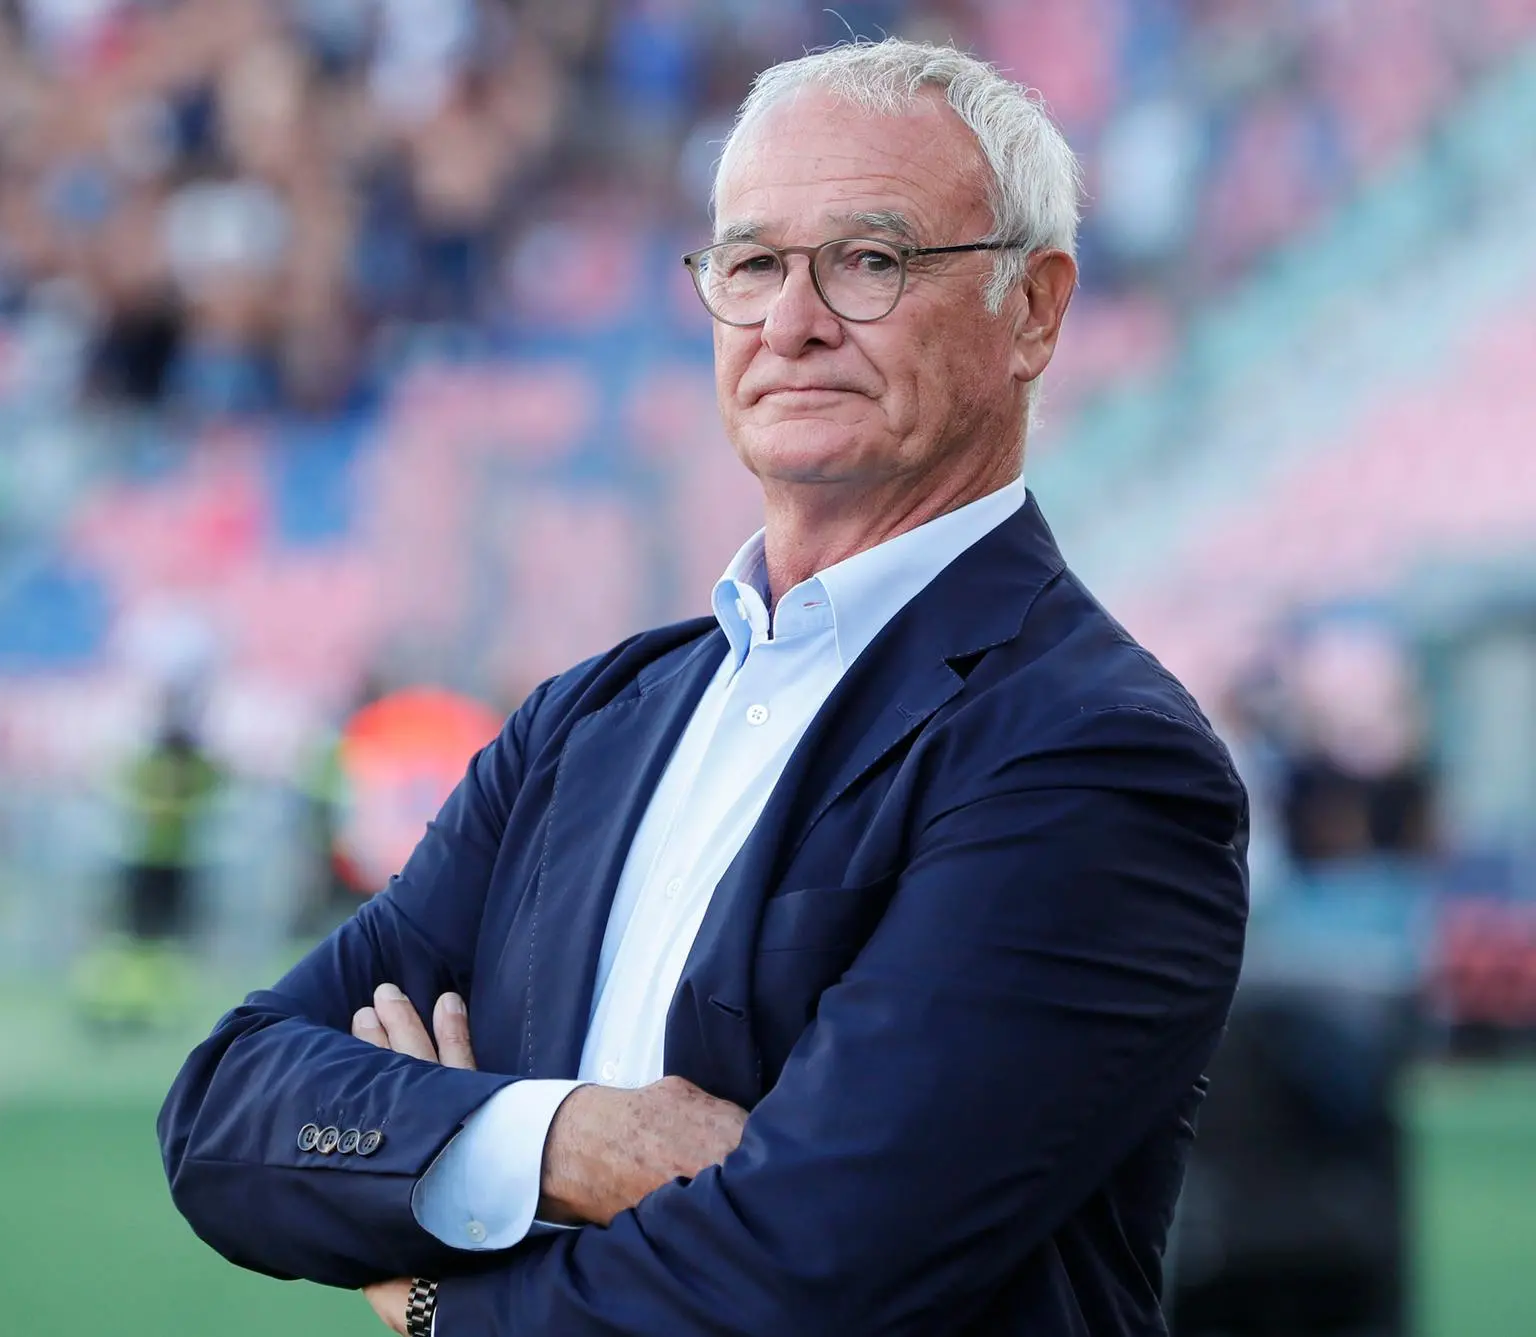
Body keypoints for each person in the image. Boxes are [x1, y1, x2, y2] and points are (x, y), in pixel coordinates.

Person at [159, 38, 1249, 1337]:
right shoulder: (588, 723)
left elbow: (806, 1276)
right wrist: (564, 1138)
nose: (792, 322)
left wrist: (439, 1281)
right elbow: (224, 1114)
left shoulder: (1095, 755)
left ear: (1034, 310)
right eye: (750, 264)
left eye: (870, 259)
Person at [74, 696, 222, 1029]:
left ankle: (143, 1001)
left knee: (156, 938)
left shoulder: (189, 766)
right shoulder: (163, 765)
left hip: (170, 862)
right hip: (148, 861)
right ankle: (122, 999)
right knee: (138, 936)